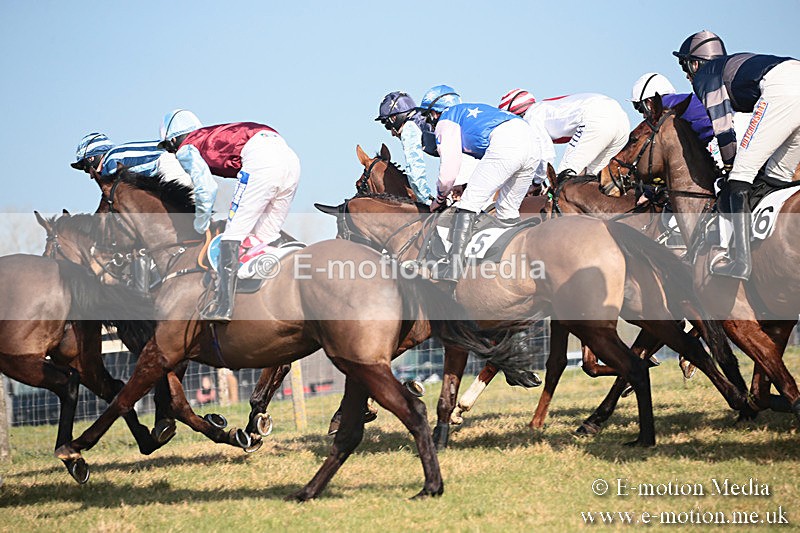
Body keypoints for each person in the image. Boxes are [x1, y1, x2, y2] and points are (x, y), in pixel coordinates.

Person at [674, 30, 800, 280]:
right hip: (792, 75)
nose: (687, 75)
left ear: (695, 62)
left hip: (783, 88)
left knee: (740, 178)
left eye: (684, 66)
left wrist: (732, 166)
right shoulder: (728, 66)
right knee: (777, 176)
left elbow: (722, 125)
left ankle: (740, 262)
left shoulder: (705, 76)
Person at [158, 109, 301, 321]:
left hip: (261, 160)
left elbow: (206, 189)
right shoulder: (209, 135)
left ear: (172, 141)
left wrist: (200, 223)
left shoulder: (186, 148)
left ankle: (224, 306)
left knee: (231, 237)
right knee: (263, 238)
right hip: (290, 158)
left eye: (169, 149)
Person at [420, 85, 544, 282]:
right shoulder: (471, 114)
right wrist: (463, 185)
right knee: (507, 211)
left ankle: (454, 268)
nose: (429, 122)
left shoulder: (446, 120)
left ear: (435, 112)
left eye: (428, 117)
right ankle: (509, 264)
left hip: (508, 144)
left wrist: (440, 198)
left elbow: (447, 173)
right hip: (533, 144)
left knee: (468, 205)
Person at [499, 89, 630, 176]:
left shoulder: (531, 116)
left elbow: (546, 156)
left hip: (596, 119)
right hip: (622, 120)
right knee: (591, 180)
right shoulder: (543, 108)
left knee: (564, 178)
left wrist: (537, 182)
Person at [375, 91, 435, 203]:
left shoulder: (409, 128)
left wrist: (427, 201)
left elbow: (415, 169)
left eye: (388, 125)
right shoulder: (421, 117)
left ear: (394, 118)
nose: (392, 134)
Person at [70, 132, 191, 186]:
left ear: (91, 158)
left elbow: (118, 195)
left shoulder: (110, 163)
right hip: (172, 159)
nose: (91, 176)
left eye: (87, 170)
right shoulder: (116, 155)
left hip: (168, 163)